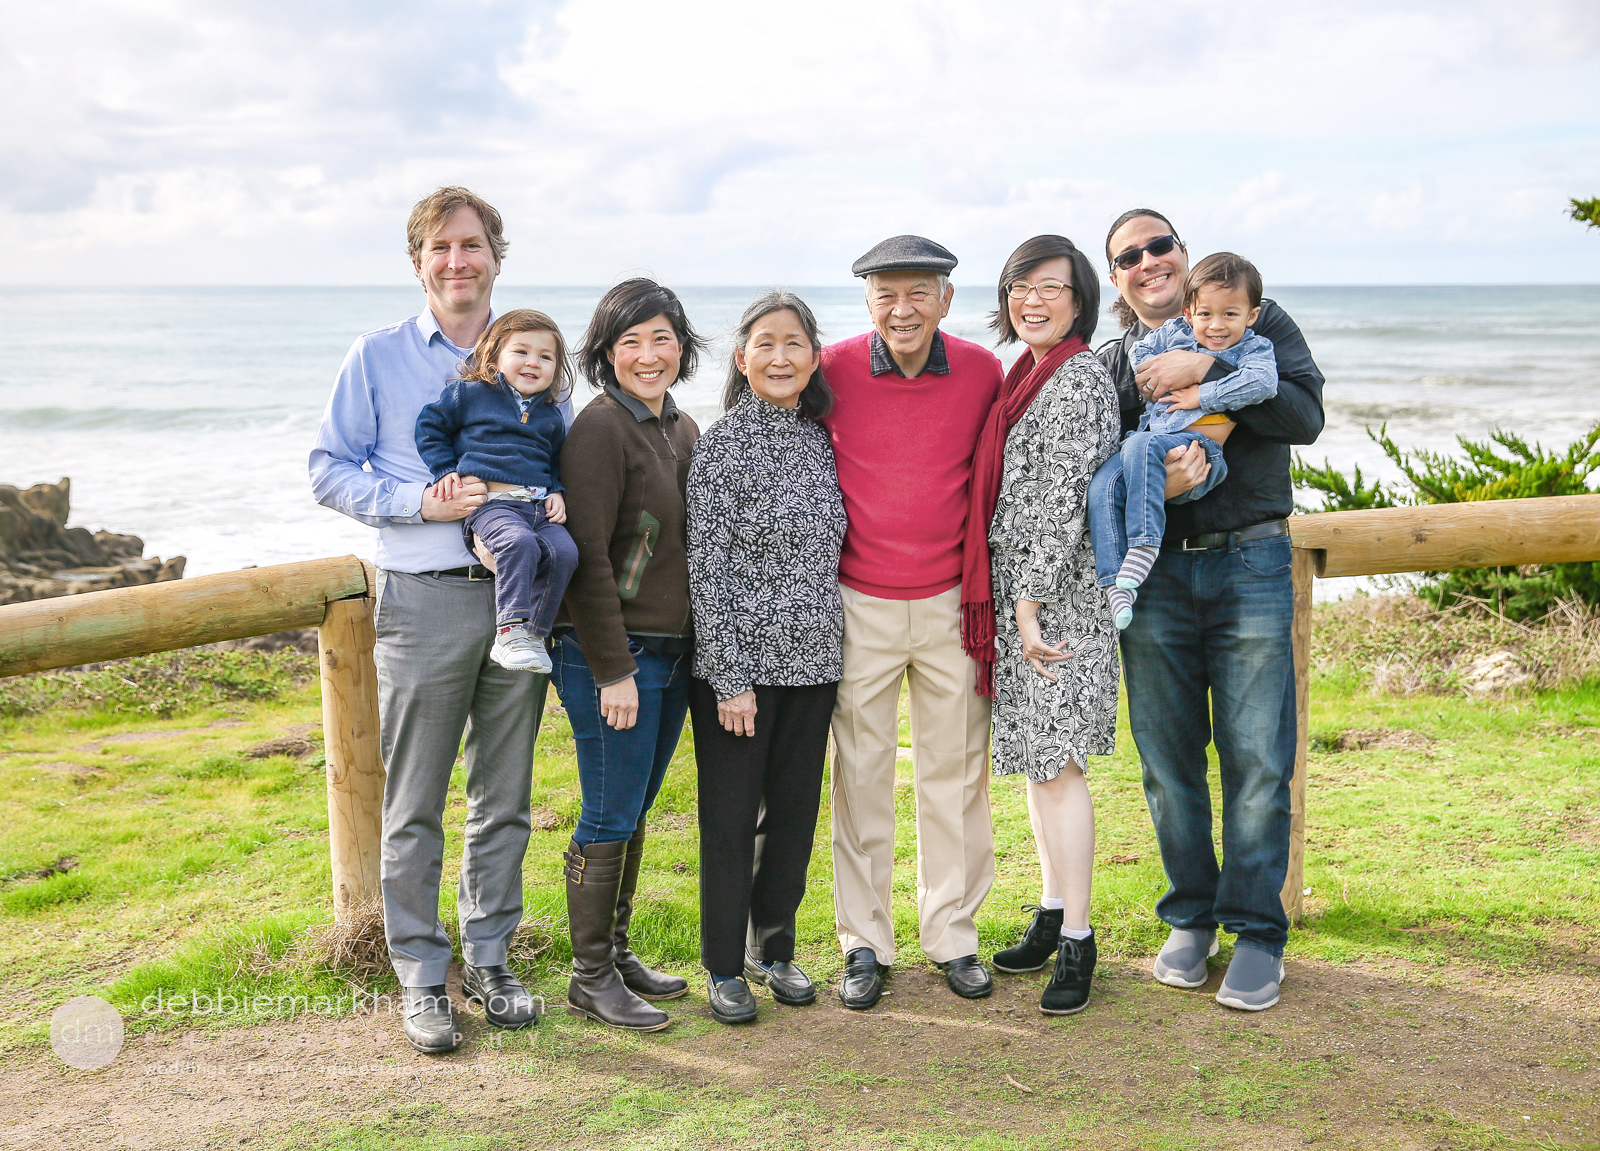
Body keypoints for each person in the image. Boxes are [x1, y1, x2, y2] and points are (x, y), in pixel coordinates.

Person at [310, 187, 564, 1053]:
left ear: (497, 255)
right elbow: (329, 469)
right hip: (422, 599)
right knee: (414, 798)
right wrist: (417, 501)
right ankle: (421, 974)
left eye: (473, 245)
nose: (459, 261)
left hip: (517, 602)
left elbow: (564, 447)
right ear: (418, 262)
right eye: (441, 248)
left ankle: (490, 960)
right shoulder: (377, 356)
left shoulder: (533, 353)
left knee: (506, 795)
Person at [1098, 209, 1325, 1012]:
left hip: (1251, 558)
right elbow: (1103, 455)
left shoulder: (1253, 317)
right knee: (1166, 762)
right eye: (1130, 255)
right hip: (1153, 577)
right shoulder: (1118, 355)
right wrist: (1156, 483)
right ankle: (1190, 918)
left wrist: (1206, 367)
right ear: (1118, 276)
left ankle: (1257, 931)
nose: (1149, 261)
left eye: (1161, 245)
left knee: (1260, 758)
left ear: (1184, 257)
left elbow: (1304, 416)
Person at [822, 236, 1005, 1009]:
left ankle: (953, 935)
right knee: (860, 774)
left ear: (946, 300)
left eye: (918, 293)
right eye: (886, 294)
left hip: (948, 602)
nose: (902, 309)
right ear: (867, 301)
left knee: (955, 772)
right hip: (857, 598)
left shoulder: (981, 371)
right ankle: (864, 942)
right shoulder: (829, 369)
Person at [965, 235, 1121, 1016]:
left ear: (1079, 299)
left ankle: (1081, 937)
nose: (1033, 299)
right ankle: (1052, 908)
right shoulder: (1025, 372)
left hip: (1055, 604)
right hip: (1023, 595)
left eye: (1051, 287)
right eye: (1021, 285)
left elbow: (1059, 503)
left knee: (1059, 768)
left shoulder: (1078, 377)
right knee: (1036, 762)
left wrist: (1024, 607)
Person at [685, 291, 846, 1025]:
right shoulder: (721, 445)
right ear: (742, 358)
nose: (781, 357)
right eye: (766, 344)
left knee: (792, 817)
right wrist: (730, 677)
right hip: (738, 675)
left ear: (814, 357)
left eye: (795, 344)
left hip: (815, 665)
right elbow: (707, 567)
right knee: (727, 820)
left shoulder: (820, 439)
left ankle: (773, 947)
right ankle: (723, 964)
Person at [552, 278, 704, 1032]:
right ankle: (588, 975)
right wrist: (612, 667)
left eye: (662, 338)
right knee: (609, 809)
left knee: (636, 805)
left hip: (672, 654)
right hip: (610, 654)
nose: (649, 354)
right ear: (606, 353)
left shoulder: (679, 427)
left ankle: (614, 951)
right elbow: (586, 558)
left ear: (682, 345)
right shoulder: (600, 427)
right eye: (630, 342)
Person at [1088, 253, 1278, 629]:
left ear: (1251, 316)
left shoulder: (1253, 349)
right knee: (1102, 487)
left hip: (1198, 449)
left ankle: (1144, 544)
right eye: (1205, 314)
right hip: (1154, 441)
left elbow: (1262, 384)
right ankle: (1116, 585)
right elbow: (1139, 351)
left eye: (1230, 315)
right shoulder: (1177, 332)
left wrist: (1201, 391)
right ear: (1190, 313)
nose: (1217, 326)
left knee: (1135, 447)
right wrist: (1156, 369)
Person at [415, 309, 580, 673]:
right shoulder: (470, 394)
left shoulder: (551, 415)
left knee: (565, 551)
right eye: (521, 351)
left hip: (536, 505)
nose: (532, 362)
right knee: (518, 543)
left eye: (545, 356)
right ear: (494, 355)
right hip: (491, 506)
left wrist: (556, 489)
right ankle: (508, 632)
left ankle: (534, 635)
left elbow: (553, 460)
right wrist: (445, 470)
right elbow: (430, 426)